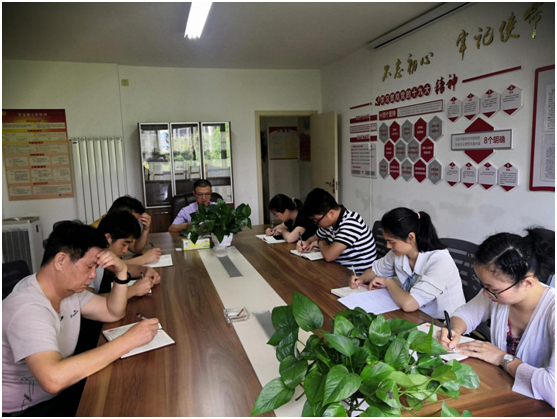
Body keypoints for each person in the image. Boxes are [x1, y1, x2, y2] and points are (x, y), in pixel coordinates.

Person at [2, 222, 160, 416]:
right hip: (28, 409)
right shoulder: (28, 308)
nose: (93, 275)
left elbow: (112, 312)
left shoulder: (67, 291)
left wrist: (121, 273)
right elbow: (53, 379)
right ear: (61, 260)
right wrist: (128, 341)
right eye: (89, 266)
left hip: (61, 390)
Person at [438, 228, 555, 408]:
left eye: (492, 288)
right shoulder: (497, 294)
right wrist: (454, 330)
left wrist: (502, 358)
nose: (486, 293)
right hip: (499, 389)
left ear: (527, 283)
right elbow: (465, 314)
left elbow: (553, 389)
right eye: (483, 285)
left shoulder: (552, 311)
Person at [349, 207, 466, 318]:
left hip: (442, 322)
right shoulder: (399, 252)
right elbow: (376, 270)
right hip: (415, 313)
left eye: (391, 242)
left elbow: (409, 304)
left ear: (411, 237)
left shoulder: (440, 261)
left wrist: (388, 281)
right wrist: (362, 278)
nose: (388, 246)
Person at [297, 188, 376, 274]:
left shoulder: (351, 223)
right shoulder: (330, 222)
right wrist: (306, 242)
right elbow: (315, 237)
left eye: (317, 220)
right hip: (338, 270)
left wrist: (320, 242)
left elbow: (329, 256)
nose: (316, 223)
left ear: (331, 213)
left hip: (357, 276)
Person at [96, 211, 161, 298]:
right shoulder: (90, 256)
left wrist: (146, 270)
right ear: (108, 238)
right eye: (124, 244)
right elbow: (86, 303)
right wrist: (133, 290)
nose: (125, 250)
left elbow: (123, 267)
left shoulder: (102, 253)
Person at [91, 195, 161, 265]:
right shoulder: (95, 234)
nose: (134, 224)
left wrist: (146, 229)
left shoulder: (117, 229)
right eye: (131, 220)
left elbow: (136, 248)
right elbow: (110, 266)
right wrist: (143, 259)